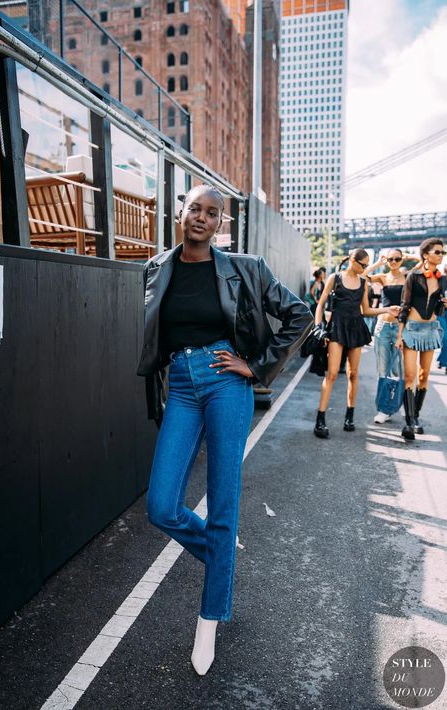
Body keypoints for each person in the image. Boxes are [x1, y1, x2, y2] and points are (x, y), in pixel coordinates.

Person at [136, 184, 313, 675]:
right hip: (183, 386)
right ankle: (221, 551)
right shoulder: (156, 268)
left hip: (224, 383)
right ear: (181, 211)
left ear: (219, 225)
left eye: (213, 214)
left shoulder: (246, 268)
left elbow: (299, 315)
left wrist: (255, 366)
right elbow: (154, 342)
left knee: (223, 500)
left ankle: (210, 617)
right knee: (162, 506)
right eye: (195, 208)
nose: (202, 217)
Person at [313, 249, 400, 438]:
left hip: (356, 328)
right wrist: (318, 326)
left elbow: (366, 310)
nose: (365, 268)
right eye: (364, 265)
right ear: (353, 261)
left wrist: (388, 309)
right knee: (333, 373)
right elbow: (320, 304)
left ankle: (349, 416)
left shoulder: (363, 283)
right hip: (336, 327)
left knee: (353, 374)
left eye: (367, 265)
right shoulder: (334, 278)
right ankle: (320, 419)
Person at [395, 238, 447, 440]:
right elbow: (404, 305)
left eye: (442, 253)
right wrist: (400, 335)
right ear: (426, 254)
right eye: (437, 252)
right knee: (410, 376)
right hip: (411, 329)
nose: (441, 256)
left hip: (431, 328)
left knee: (425, 376)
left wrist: (444, 304)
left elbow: (439, 308)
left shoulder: (443, 279)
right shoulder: (413, 277)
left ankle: (415, 416)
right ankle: (409, 422)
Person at [363, 249, 407, 424]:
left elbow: (425, 263)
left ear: (402, 259)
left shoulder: (408, 277)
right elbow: (363, 276)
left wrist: (410, 257)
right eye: (391, 259)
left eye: (397, 259)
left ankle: (398, 401)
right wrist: (378, 264)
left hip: (400, 327)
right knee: (383, 369)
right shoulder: (382, 276)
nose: (394, 262)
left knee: (398, 369)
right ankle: (383, 409)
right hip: (382, 327)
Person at [437, 264, 447, 374]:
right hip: (441, 312)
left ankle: (443, 360)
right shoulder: (440, 280)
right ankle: (444, 361)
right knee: (445, 338)